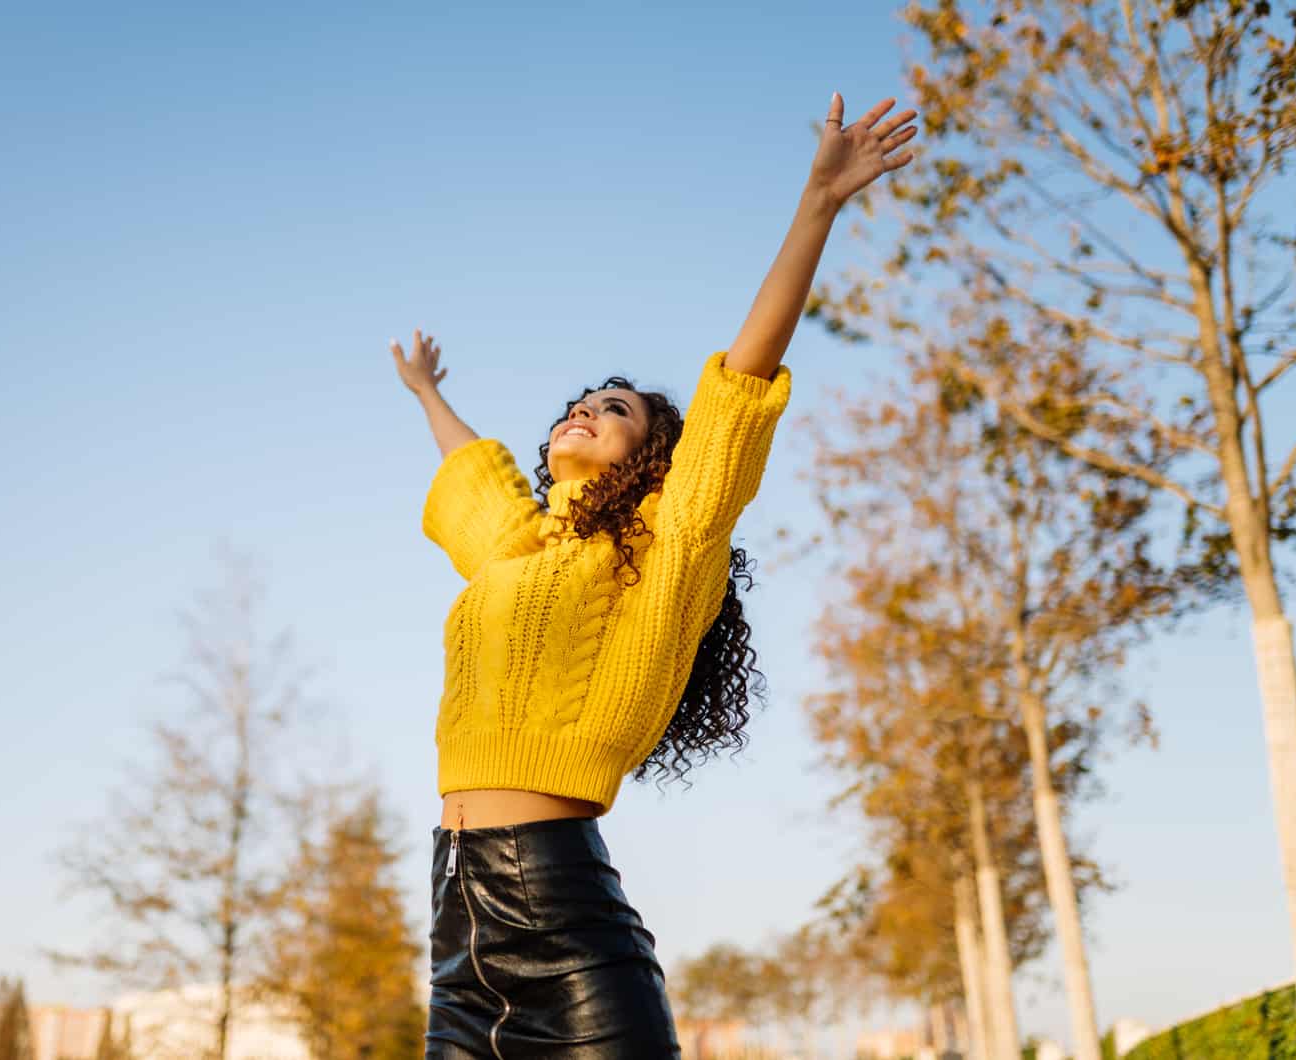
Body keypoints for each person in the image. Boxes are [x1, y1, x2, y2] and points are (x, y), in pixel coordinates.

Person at [390, 93, 917, 1059]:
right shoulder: (522, 548)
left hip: (570, 932)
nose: (588, 407)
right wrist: (430, 393)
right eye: (583, 400)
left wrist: (819, 205)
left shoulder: (671, 541)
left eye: (618, 407)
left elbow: (742, 383)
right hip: (459, 933)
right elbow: (475, 479)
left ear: (656, 459)